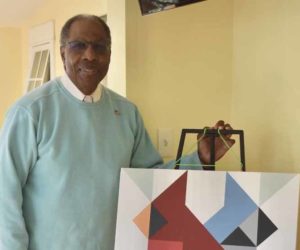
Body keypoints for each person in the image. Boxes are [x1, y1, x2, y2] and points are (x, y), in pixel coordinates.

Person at [0, 14, 234, 250]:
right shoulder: (30, 113)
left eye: (99, 47)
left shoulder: (127, 114)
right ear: (62, 53)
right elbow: (5, 197)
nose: (90, 55)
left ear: (109, 55)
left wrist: (200, 159)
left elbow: (150, 182)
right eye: (79, 45)